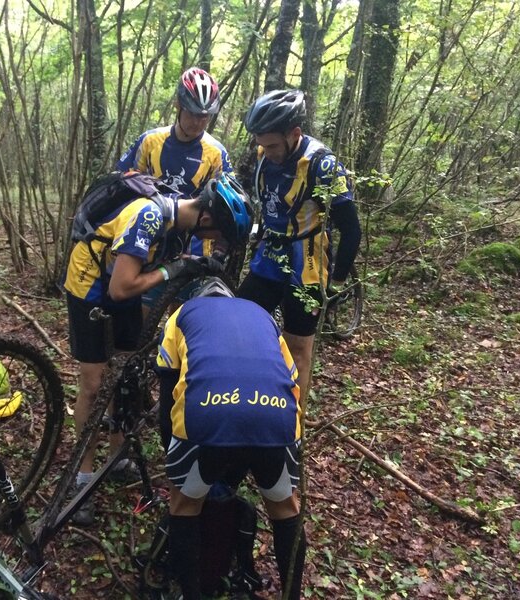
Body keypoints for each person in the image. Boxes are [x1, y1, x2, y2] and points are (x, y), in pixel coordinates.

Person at [62, 174, 252, 526]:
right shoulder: (149, 216)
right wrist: (174, 268)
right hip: (90, 286)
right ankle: (82, 476)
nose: (213, 243)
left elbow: (146, 271)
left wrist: (186, 264)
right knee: (93, 385)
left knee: (125, 371)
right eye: (216, 236)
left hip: (123, 284)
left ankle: (116, 455)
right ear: (207, 218)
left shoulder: (180, 222)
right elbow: (122, 288)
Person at [154, 277, 306, 600]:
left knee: (184, 506)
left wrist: (179, 468)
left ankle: (192, 594)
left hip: (207, 415)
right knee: (285, 510)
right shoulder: (263, 315)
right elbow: (291, 380)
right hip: (276, 417)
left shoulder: (179, 316)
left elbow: (167, 405)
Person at [238, 89, 361, 394]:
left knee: (297, 349)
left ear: (294, 133)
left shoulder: (322, 165)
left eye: (273, 145)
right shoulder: (263, 154)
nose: (266, 151)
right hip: (269, 253)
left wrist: (337, 281)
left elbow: (352, 228)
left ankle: (294, 430)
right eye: (261, 144)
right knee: (239, 325)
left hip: (307, 260)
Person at [116, 67, 232, 260]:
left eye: (204, 116)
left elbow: (227, 207)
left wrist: (219, 252)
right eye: (192, 113)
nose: (197, 122)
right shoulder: (149, 142)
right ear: (178, 105)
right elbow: (122, 188)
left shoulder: (216, 153)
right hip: (147, 241)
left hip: (194, 249)